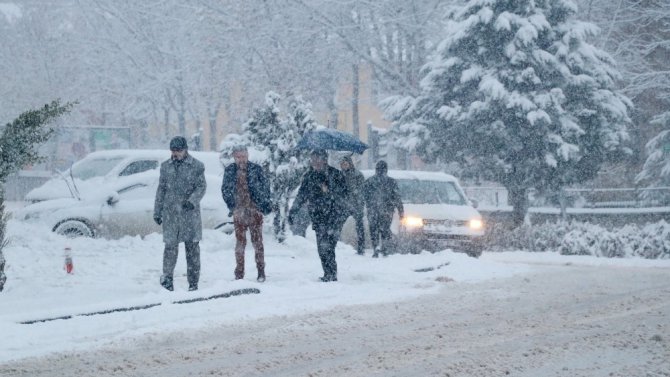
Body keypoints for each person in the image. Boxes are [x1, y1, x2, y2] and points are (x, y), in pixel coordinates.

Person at [153, 136, 207, 291]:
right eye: (173, 151)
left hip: (189, 214)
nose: (175, 154)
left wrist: (192, 201)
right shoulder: (165, 167)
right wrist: (157, 211)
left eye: (178, 150)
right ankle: (167, 279)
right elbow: (161, 190)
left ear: (185, 150)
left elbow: (201, 187)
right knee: (170, 247)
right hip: (171, 214)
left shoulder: (197, 166)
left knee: (192, 249)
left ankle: (193, 282)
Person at [288, 149, 349, 282]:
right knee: (322, 247)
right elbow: (301, 195)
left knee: (330, 246)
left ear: (324, 159)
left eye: (317, 159)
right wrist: (293, 210)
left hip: (334, 216)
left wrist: (330, 192)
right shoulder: (309, 176)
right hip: (318, 217)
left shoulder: (335, 174)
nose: (314, 162)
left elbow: (345, 196)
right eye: (313, 159)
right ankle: (328, 273)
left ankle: (331, 274)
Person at [221, 145, 272, 282]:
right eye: (238, 157)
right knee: (240, 244)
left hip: (254, 211)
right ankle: (239, 273)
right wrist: (232, 205)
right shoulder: (230, 170)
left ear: (247, 155)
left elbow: (266, 188)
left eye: (243, 156)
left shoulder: (256, 169)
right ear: (234, 157)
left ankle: (261, 271)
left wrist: (262, 203)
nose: (241, 159)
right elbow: (225, 190)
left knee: (258, 243)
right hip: (239, 212)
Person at [362, 160, 404, 258]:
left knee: (374, 230)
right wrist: (401, 211)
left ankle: (375, 248)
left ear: (376, 169)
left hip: (373, 210)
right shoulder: (391, 182)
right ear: (386, 170)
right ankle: (385, 248)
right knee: (385, 230)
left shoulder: (369, 181)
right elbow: (397, 198)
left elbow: (363, 196)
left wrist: (367, 205)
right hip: (387, 211)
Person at [339, 156, 366, 255]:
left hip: (356, 204)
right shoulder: (339, 175)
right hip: (343, 205)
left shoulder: (358, 175)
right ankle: (337, 244)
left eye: (345, 164)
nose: (343, 166)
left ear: (350, 164)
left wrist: (356, 195)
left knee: (359, 226)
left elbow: (362, 190)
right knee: (338, 225)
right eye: (342, 164)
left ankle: (361, 248)